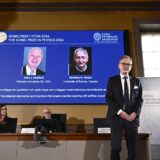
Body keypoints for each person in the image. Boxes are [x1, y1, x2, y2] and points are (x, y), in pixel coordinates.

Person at [106, 55, 143, 160]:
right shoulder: (112, 80)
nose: (126, 66)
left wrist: (135, 113)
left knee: (133, 150)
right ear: (119, 66)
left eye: (129, 64)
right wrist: (120, 112)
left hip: (131, 119)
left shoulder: (137, 81)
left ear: (131, 67)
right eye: (124, 64)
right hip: (116, 118)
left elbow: (140, 100)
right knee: (116, 148)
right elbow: (108, 98)